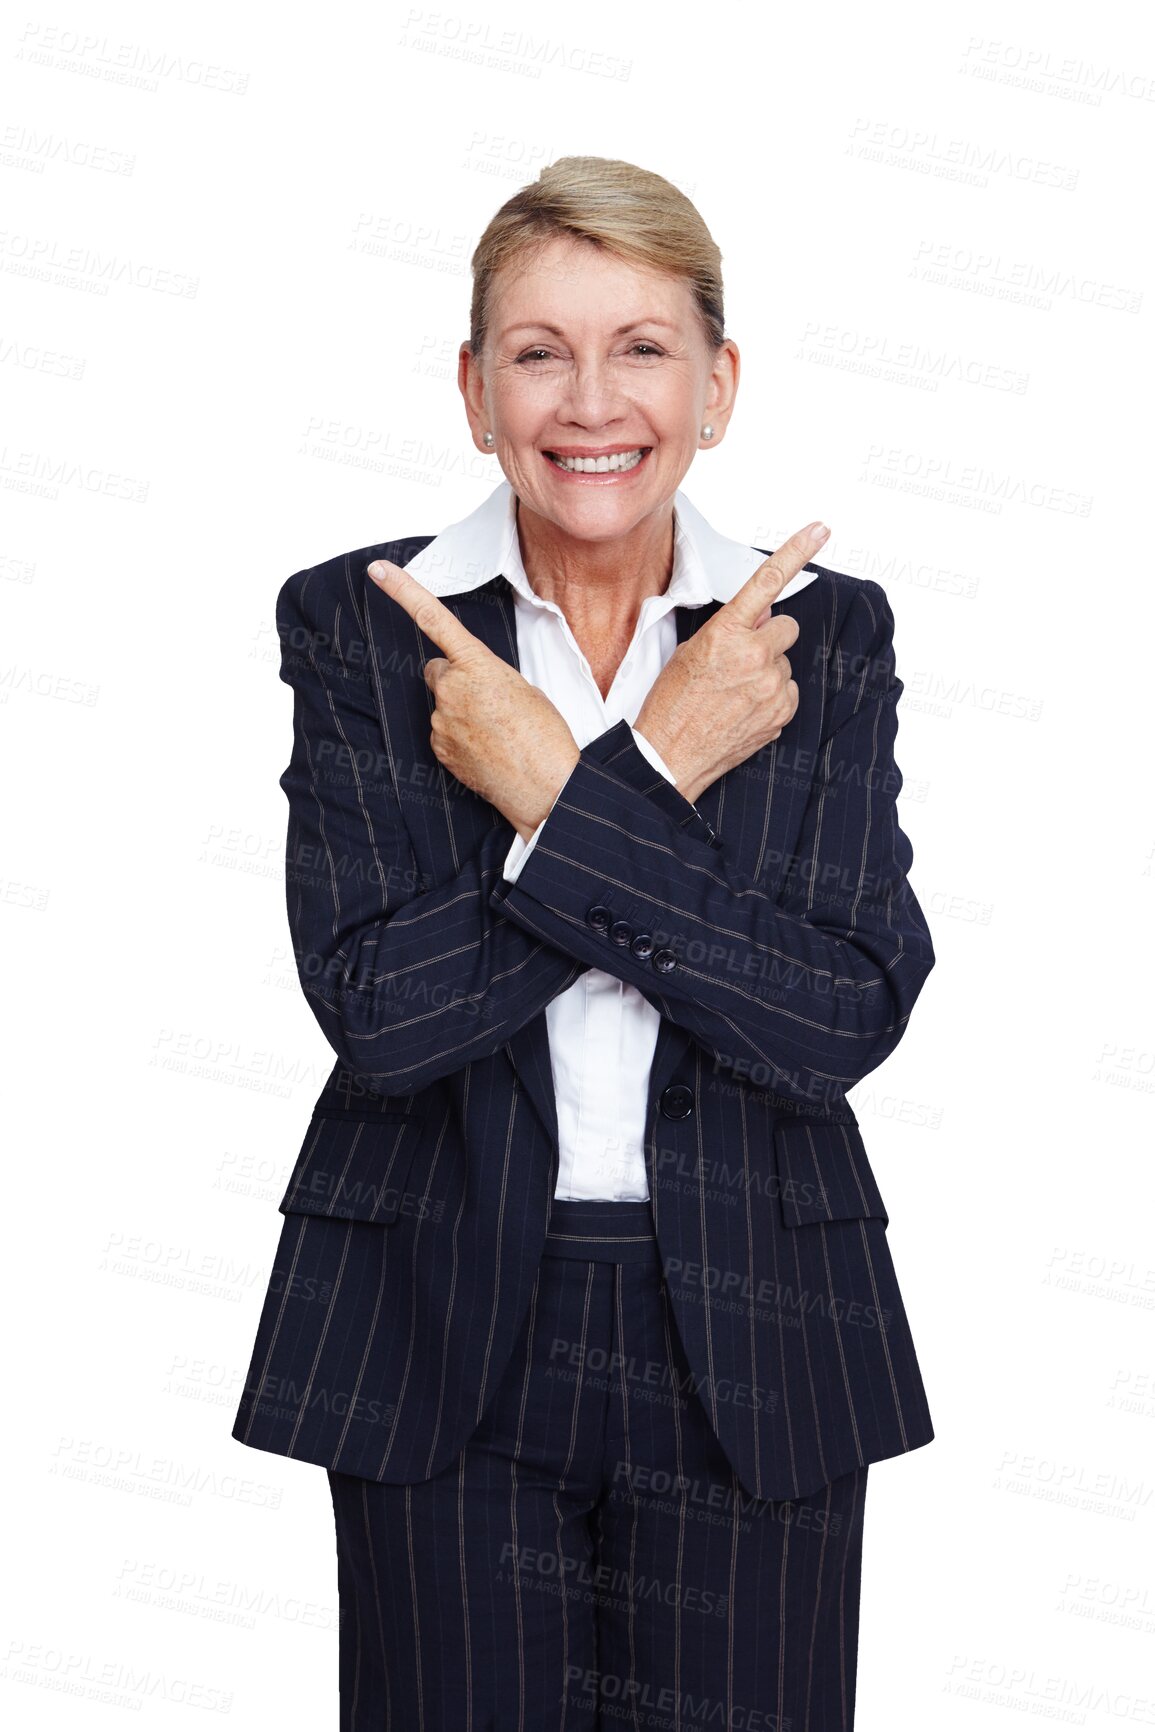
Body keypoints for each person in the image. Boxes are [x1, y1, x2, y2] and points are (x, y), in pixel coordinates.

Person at [232, 154, 937, 1729]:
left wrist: (561, 795)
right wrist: (663, 772)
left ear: (718, 384)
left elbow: (836, 1015)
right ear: (476, 392)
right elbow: (382, 1013)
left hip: (755, 1322)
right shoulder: (362, 626)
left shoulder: (824, 640)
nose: (590, 400)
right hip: (439, 1313)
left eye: (642, 348)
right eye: (539, 352)